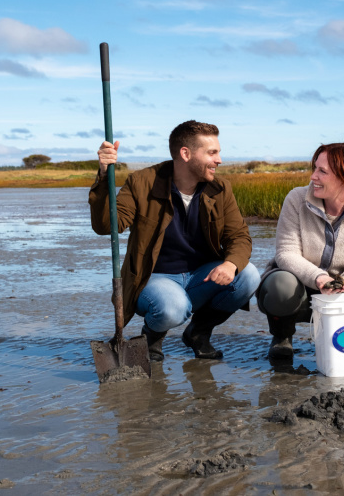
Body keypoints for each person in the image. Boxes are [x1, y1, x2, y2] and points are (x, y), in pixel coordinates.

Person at [89, 120, 260, 361]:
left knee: (249, 275)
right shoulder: (142, 182)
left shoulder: (220, 188)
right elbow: (107, 225)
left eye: (218, 152)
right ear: (185, 154)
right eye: (212, 153)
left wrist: (230, 264)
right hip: (154, 278)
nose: (219, 160)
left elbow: (239, 236)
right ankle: (152, 337)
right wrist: (104, 176)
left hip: (200, 276)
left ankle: (198, 333)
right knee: (173, 308)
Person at [256, 142, 344, 360]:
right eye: (315, 168)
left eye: (322, 171)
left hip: (338, 292)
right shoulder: (296, 199)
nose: (313, 176)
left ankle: (339, 341)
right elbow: (286, 253)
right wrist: (318, 277)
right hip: (296, 288)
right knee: (281, 285)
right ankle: (282, 336)